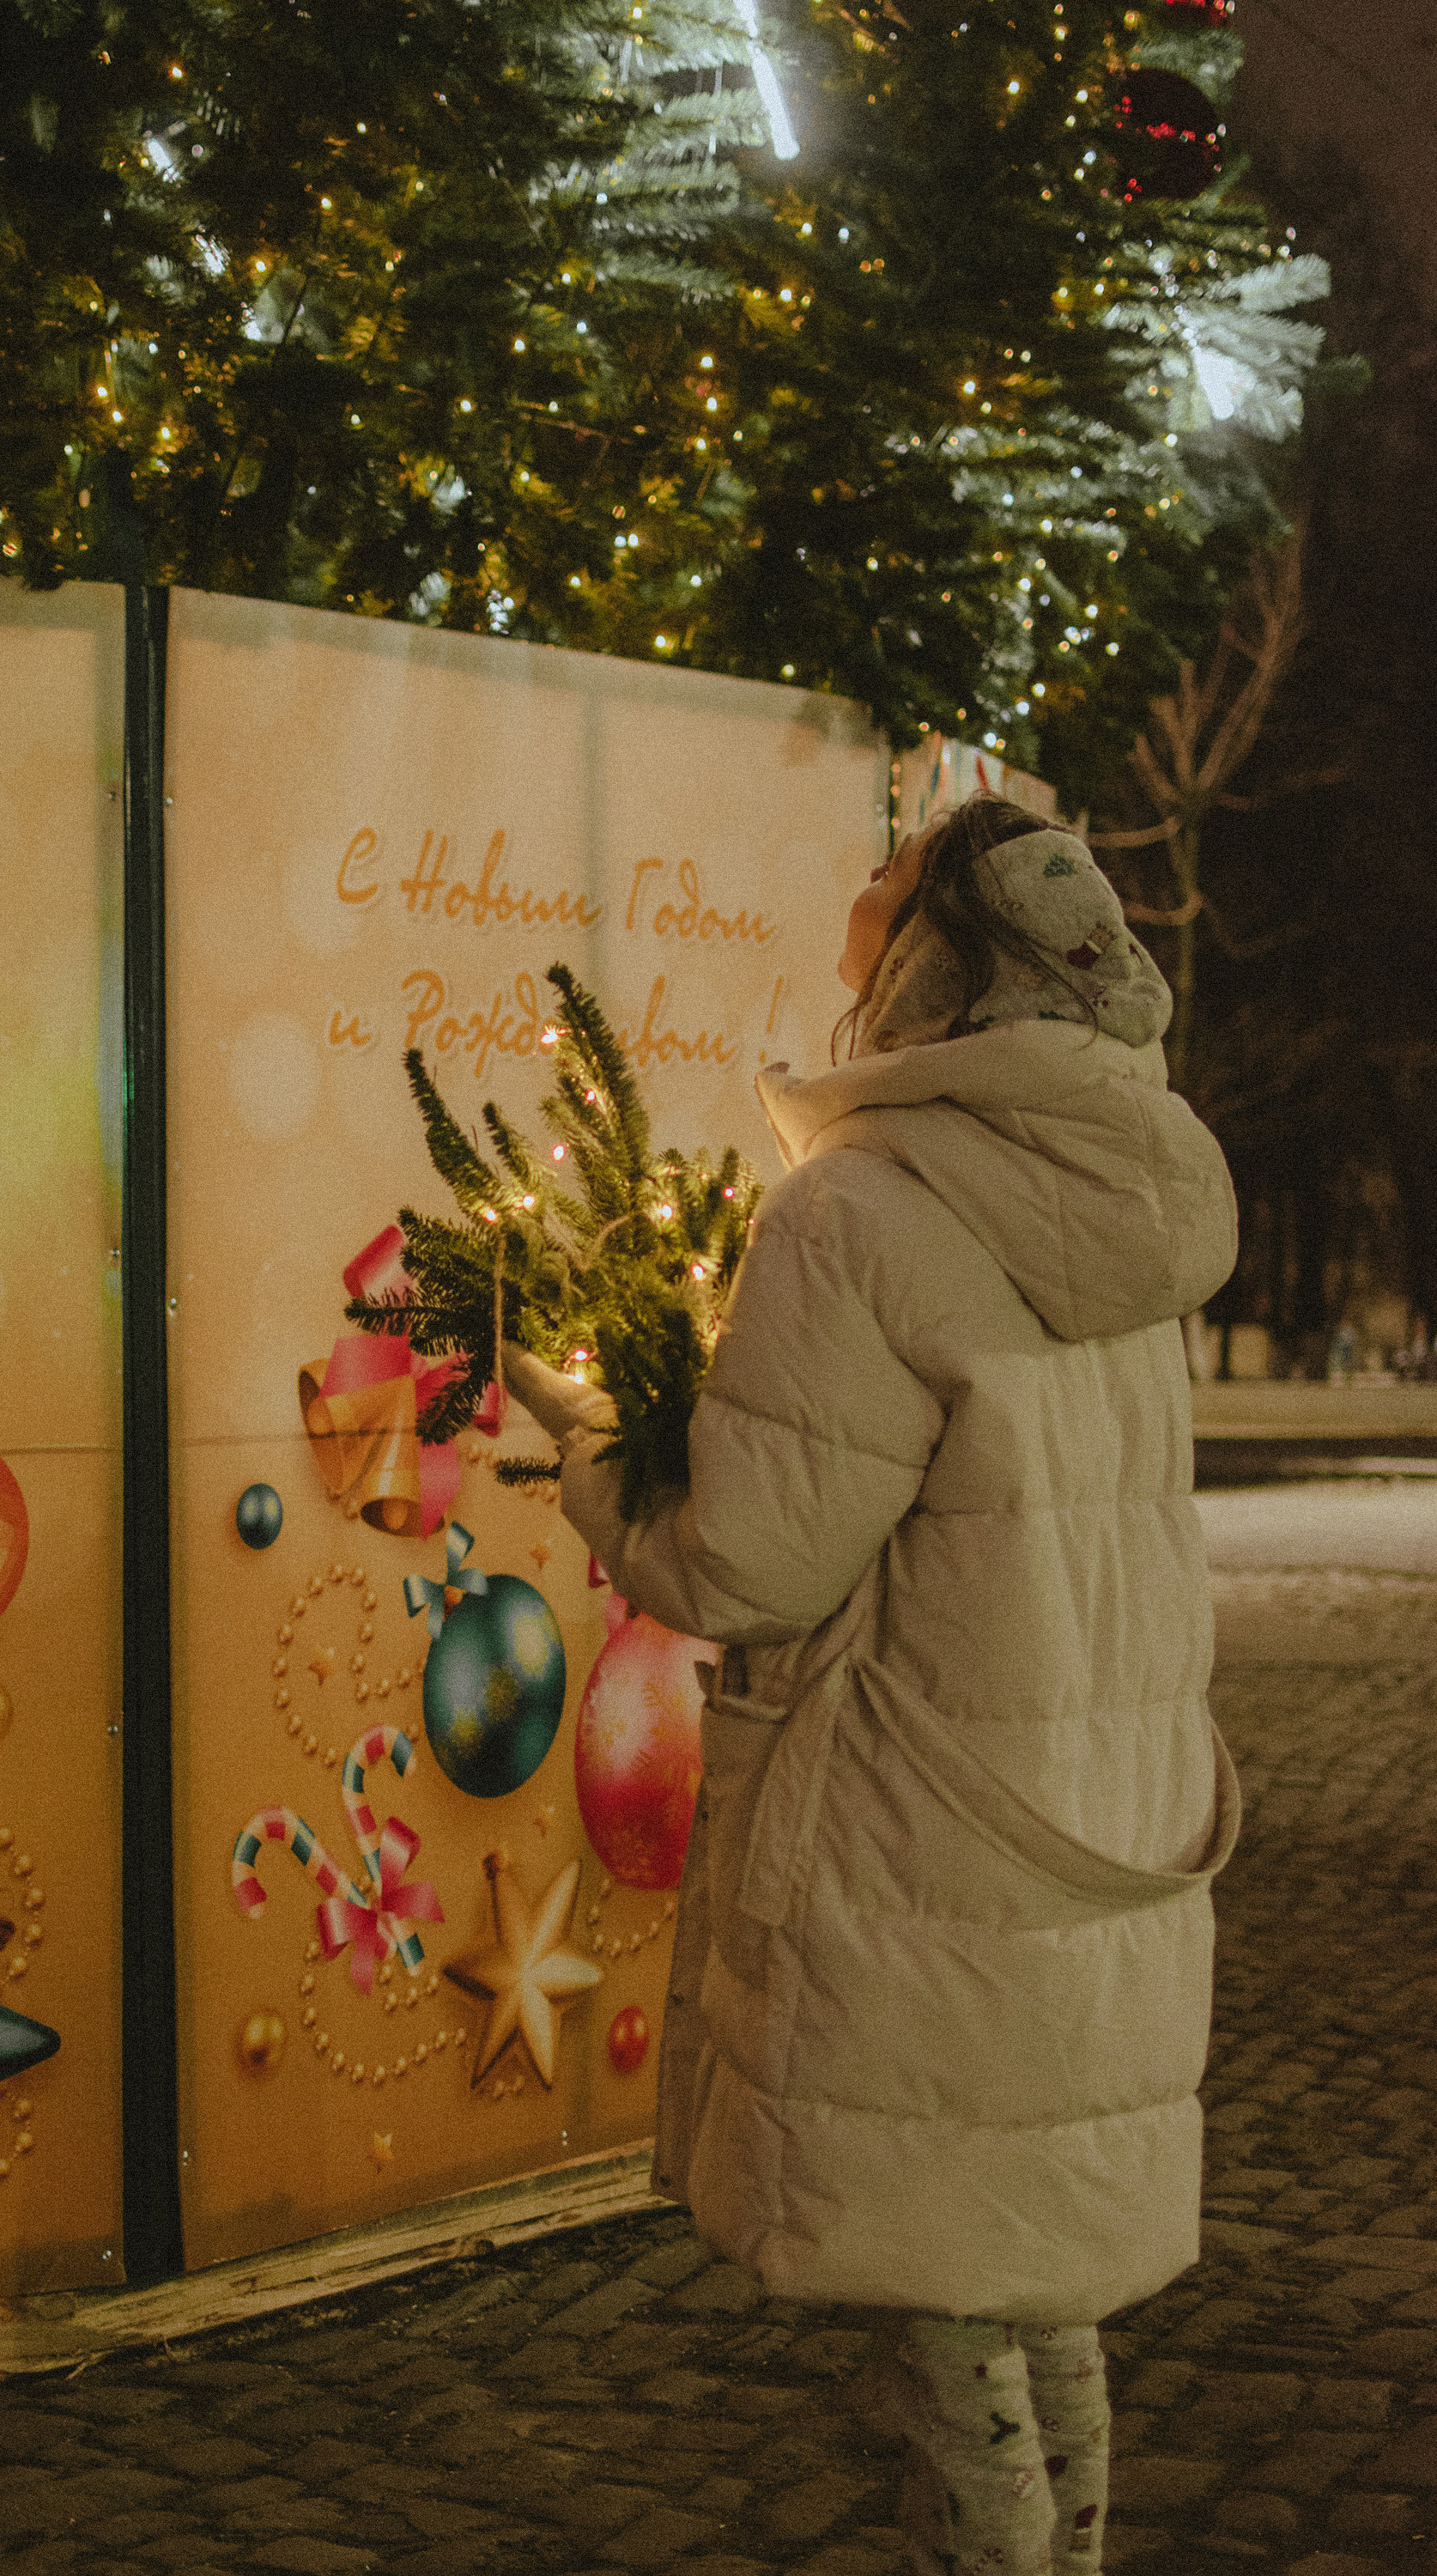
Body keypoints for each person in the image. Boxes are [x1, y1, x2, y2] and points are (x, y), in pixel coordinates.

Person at [504, 794, 1241, 2576]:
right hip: (1085, 1829)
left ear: (933, 953)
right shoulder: (1114, 1201)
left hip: (925, 1848)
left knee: (950, 2329)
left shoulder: (867, 1207)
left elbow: (747, 1563)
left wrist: (594, 1432)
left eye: (886, 880)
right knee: (1020, 2285)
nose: (850, 895)